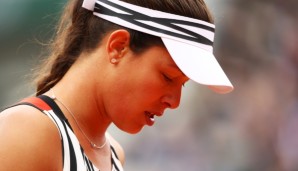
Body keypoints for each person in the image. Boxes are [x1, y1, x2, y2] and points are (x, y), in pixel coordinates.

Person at [0, 0, 233, 170]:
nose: (174, 102)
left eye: (182, 85)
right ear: (118, 46)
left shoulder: (113, 155)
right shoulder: (26, 133)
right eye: (168, 77)